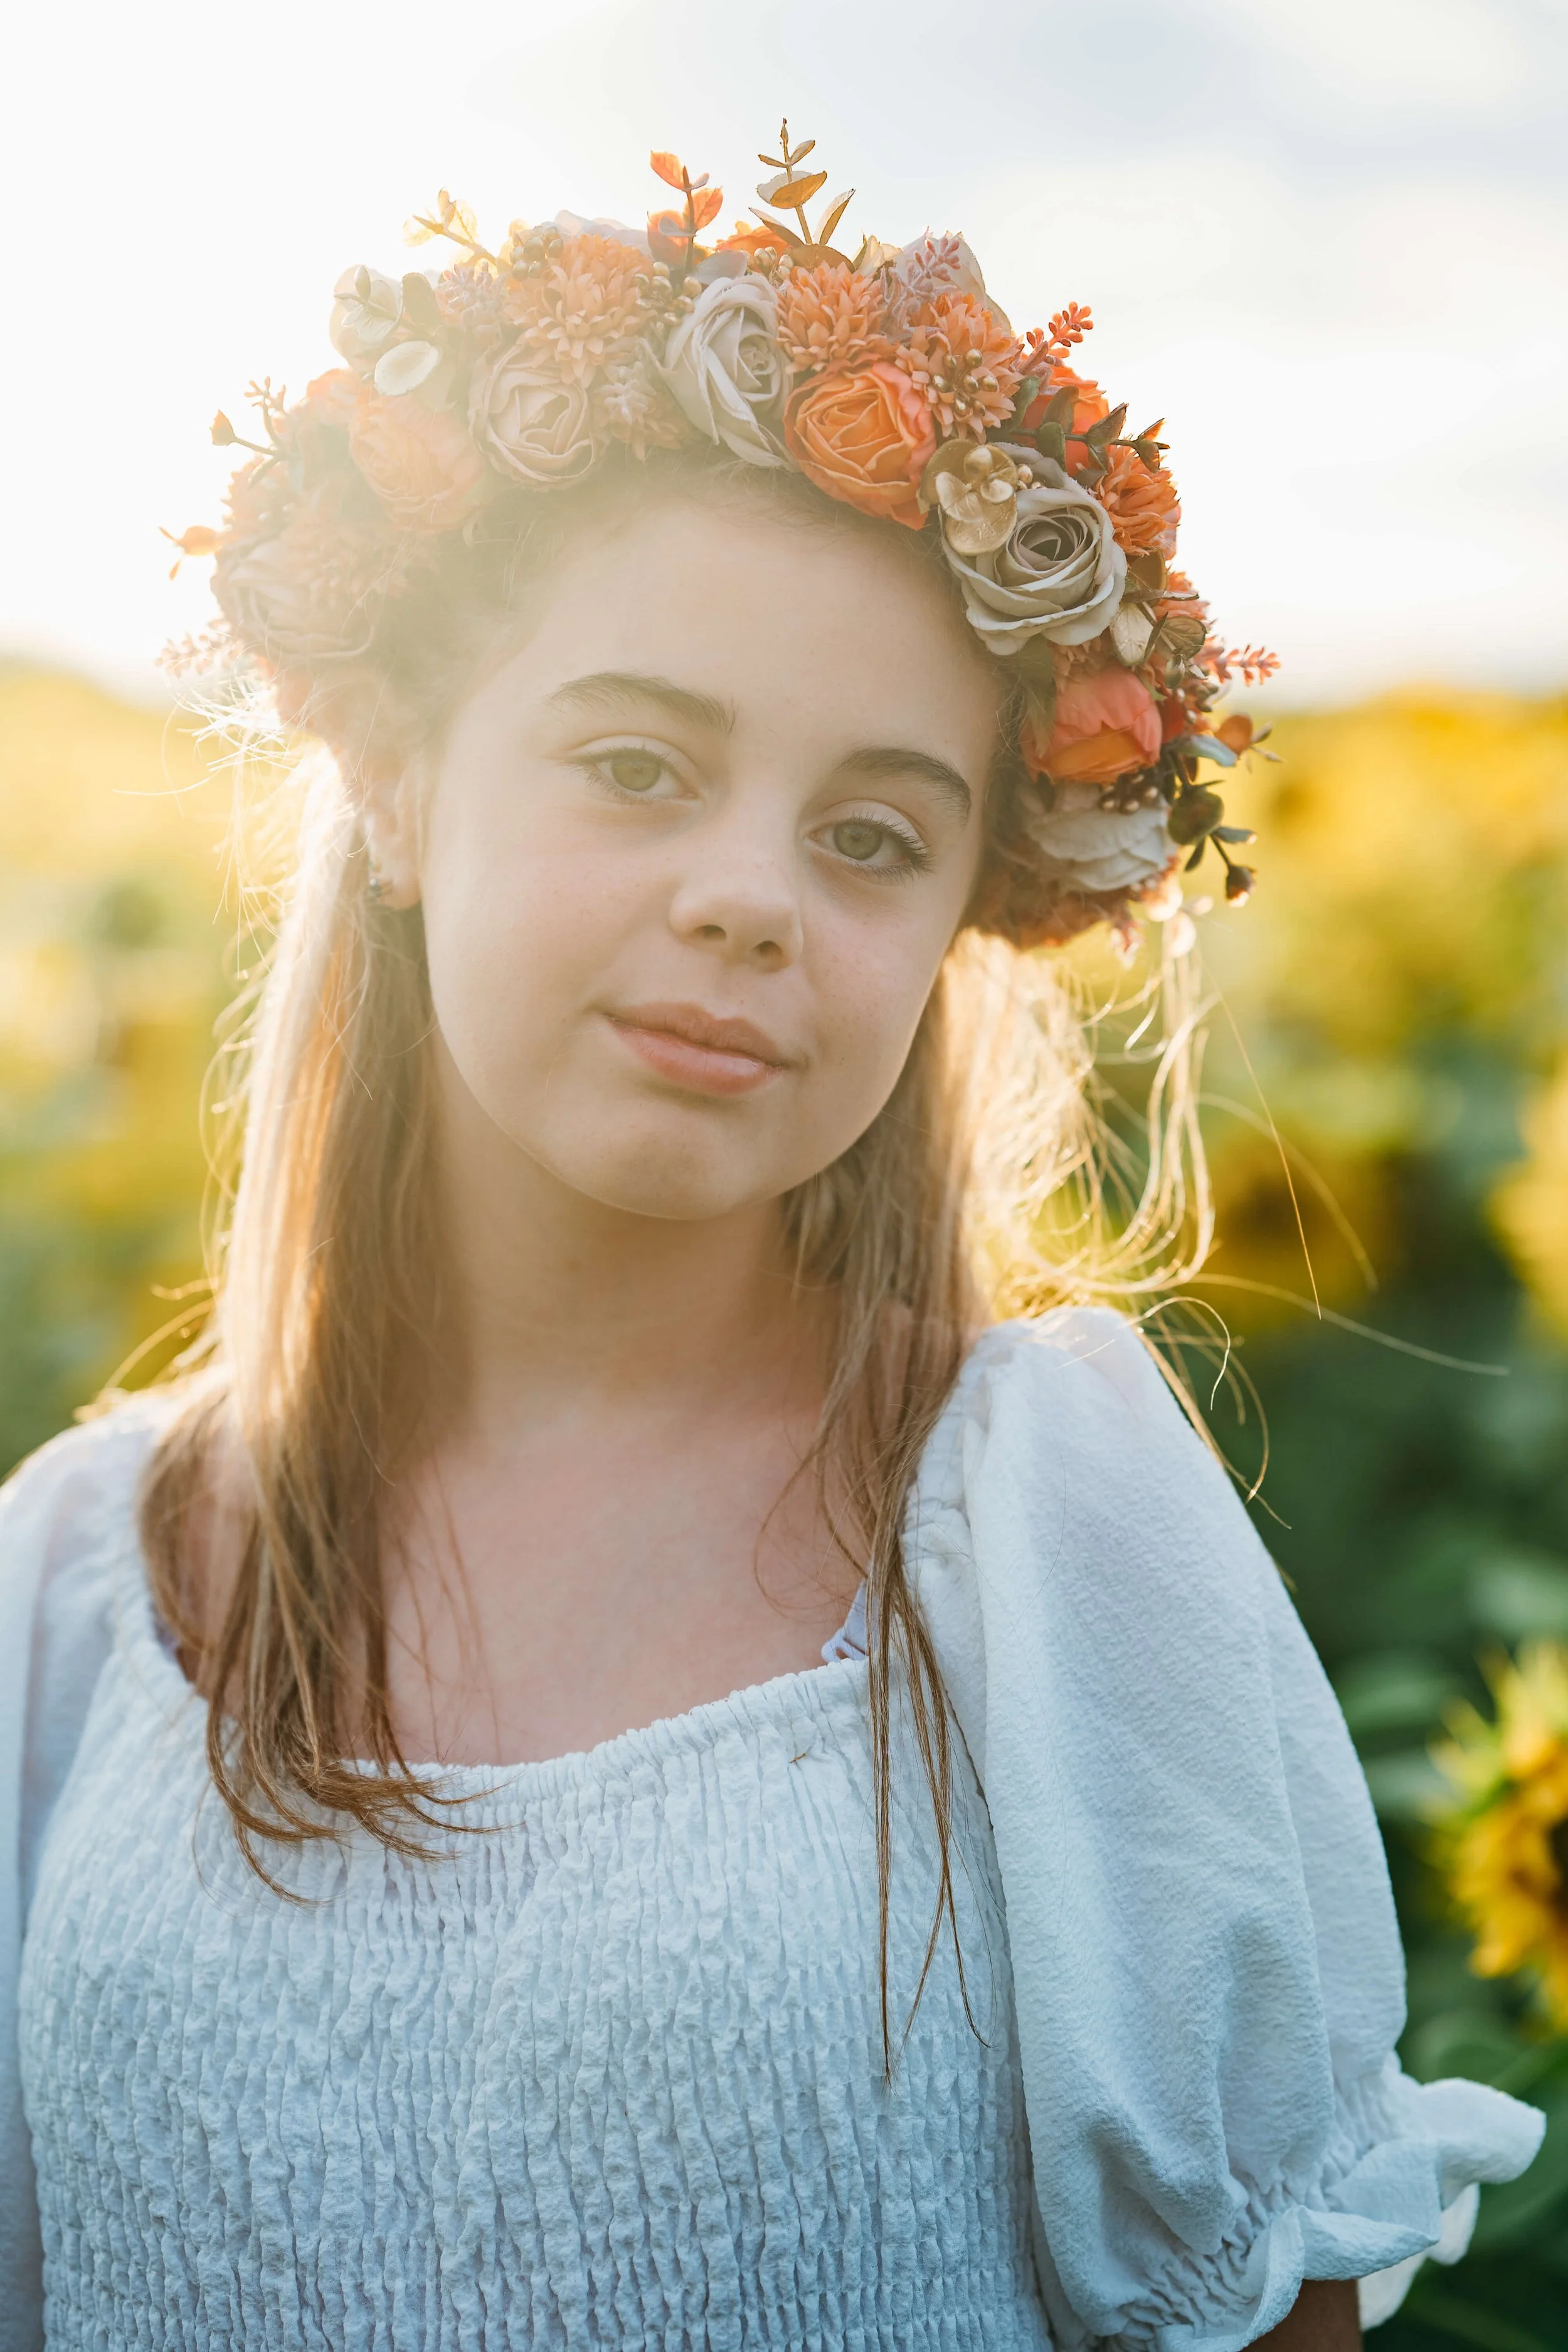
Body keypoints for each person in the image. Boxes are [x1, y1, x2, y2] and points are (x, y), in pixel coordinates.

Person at [0, 130, 1543, 2351]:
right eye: (637, 766)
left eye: (866, 832)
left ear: (953, 923)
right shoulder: (80, 1590)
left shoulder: (1036, 1518)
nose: (749, 894)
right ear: (409, 784)